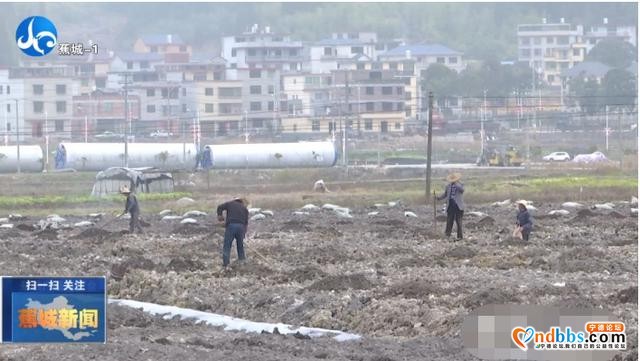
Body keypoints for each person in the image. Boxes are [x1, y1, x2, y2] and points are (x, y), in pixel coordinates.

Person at [216, 197, 249, 268]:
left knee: (227, 245)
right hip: (241, 227)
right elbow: (246, 223)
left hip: (231, 226)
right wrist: (243, 234)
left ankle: (226, 264)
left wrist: (220, 216)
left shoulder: (230, 204)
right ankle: (242, 261)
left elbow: (220, 207)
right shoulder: (245, 209)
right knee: (240, 245)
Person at [437, 173, 465, 240]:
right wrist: (439, 198)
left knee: (459, 221)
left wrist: (456, 184)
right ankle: (447, 234)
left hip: (458, 206)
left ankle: (460, 236)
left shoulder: (460, 185)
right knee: (449, 220)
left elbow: (462, 190)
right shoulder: (448, 186)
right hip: (451, 205)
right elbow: (445, 194)